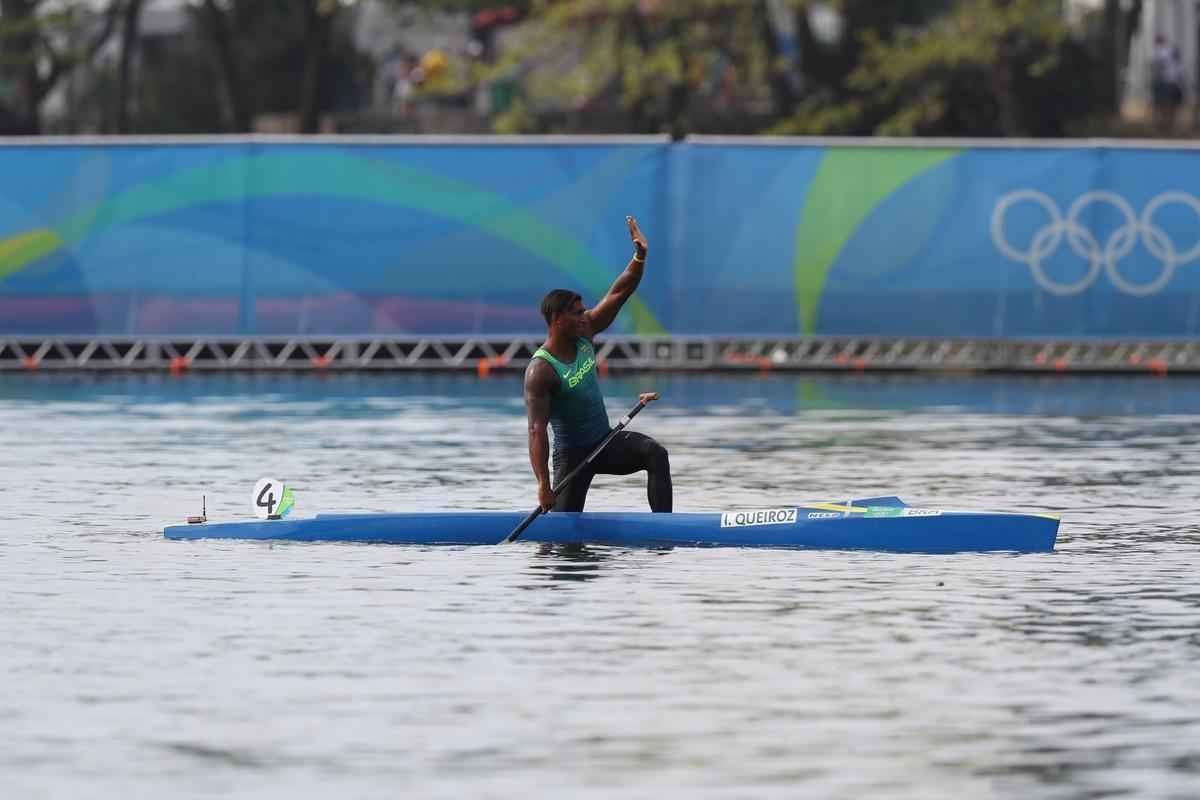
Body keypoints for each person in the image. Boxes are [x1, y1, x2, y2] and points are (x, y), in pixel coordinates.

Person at [524, 216, 672, 514]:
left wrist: (639, 256)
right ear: (556, 319)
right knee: (564, 542)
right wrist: (543, 485)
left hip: (604, 443)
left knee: (656, 453)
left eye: (583, 311)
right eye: (576, 313)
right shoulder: (541, 370)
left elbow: (620, 292)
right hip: (572, 456)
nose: (584, 316)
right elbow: (536, 430)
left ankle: (664, 529)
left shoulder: (585, 332)